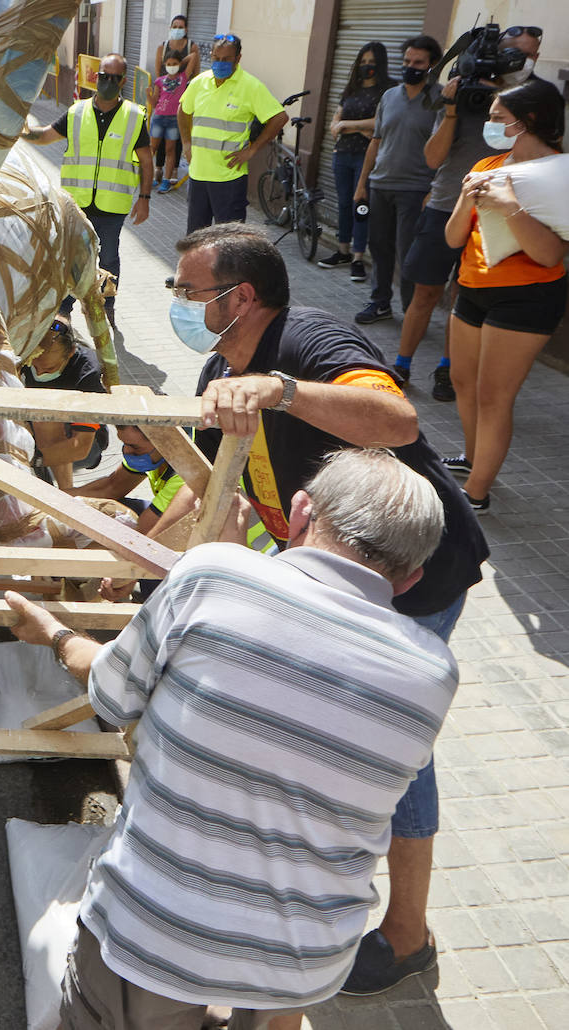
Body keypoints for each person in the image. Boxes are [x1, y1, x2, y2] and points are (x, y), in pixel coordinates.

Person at [6, 448, 457, 1030]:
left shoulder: (214, 573)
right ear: (412, 577)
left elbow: (113, 698)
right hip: (304, 963)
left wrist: (57, 634)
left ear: (299, 512)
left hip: (156, 937)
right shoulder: (434, 671)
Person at [156, 224, 486, 997]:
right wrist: (140, 543)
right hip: (327, 573)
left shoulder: (308, 346)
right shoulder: (221, 364)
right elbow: (211, 478)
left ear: (238, 298)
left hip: (413, 575)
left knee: (397, 752)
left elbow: (399, 423)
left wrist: (286, 391)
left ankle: (408, 936)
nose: (176, 303)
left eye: (186, 290)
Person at [394, 25, 542, 397]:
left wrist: (508, 105)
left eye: (529, 56)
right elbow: (432, 158)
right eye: (516, 54)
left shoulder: (531, 99)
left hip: (496, 212)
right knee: (424, 293)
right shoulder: (457, 94)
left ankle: (447, 369)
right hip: (446, 205)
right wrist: (451, 111)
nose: (523, 62)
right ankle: (401, 364)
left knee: (464, 296)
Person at [444, 77, 567, 516]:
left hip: (527, 297)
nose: (489, 124)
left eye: (498, 118)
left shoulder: (557, 175)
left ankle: (476, 493)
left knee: (495, 395)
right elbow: (454, 237)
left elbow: (550, 252)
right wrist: (467, 197)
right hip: (473, 288)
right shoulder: (487, 164)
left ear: (528, 121)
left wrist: (508, 202)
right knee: (463, 382)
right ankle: (475, 460)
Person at [23, 53, 151, 313]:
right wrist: (21, 131)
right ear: (96, 77)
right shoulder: (77, 112)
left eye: (114, 78)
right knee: (72, 257)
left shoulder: (134, 116)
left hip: (113, 205)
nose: (107, 82)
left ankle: (106, 307)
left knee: (108, 258)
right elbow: (46, 136)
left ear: (123, 80)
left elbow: (146, 161)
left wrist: (145, 199)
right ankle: (64, 309)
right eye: (103, 76)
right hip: (76, 204)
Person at [352, 36, 442, 326]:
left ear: (432, 65)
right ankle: (380, 303)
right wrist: (362, 184)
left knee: (408, 253)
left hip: (415, 190)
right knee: (379, 247)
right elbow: (376, 143)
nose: (411, 67)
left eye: (418, 63)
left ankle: (412, 310)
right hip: (381, 185)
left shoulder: (441, 100)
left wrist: (434, 190)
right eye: (406, 61)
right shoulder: (389, 96)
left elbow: (446, 150)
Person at [179, 34, 286, 233]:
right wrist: (186, 143)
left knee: (230, 242)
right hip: (198, 176)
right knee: (196, 239)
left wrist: (251, 151)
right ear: (210, 56)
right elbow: (183, 111)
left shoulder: (251, 86)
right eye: (216, 58)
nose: (220, 63)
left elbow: (279, 118)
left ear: (238, 59)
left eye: (226, 59)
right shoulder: (199, 82)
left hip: (229, 180)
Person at [318, 42, 395, 280]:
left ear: (380, 64)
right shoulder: (351, 89)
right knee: (343, 203)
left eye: (371, 63)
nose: (367, 67)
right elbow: (333, 127)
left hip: (367, 156)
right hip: (342, 155)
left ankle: (358, 257)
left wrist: (348, 125)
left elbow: (379, 124)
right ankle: (342, 250)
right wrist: (356, 127)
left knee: (361, 205)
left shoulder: (388, 90)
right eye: (363, 62)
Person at [18, 318, 108, 490]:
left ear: (71, 352)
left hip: (82, 446)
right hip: (36, 437)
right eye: (34, 366)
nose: (39, 373)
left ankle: (65, 495)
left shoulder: (87, 376)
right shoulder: (24, 356)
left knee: (46, 415)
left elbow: (80, 447)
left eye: (49, 369)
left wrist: (31, 460)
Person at [150, 14, 200, 189]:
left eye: (181, 27)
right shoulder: (162, 48)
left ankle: (170, 175)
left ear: (186, 29)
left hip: (179, 107)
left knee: (174, 145)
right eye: (174, 26)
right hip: (161, 110)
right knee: (156, 145)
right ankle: (156, 172)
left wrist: (179, 63)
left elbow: (194, 62)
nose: (177, 29)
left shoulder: (191, 48)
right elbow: (158, 75)